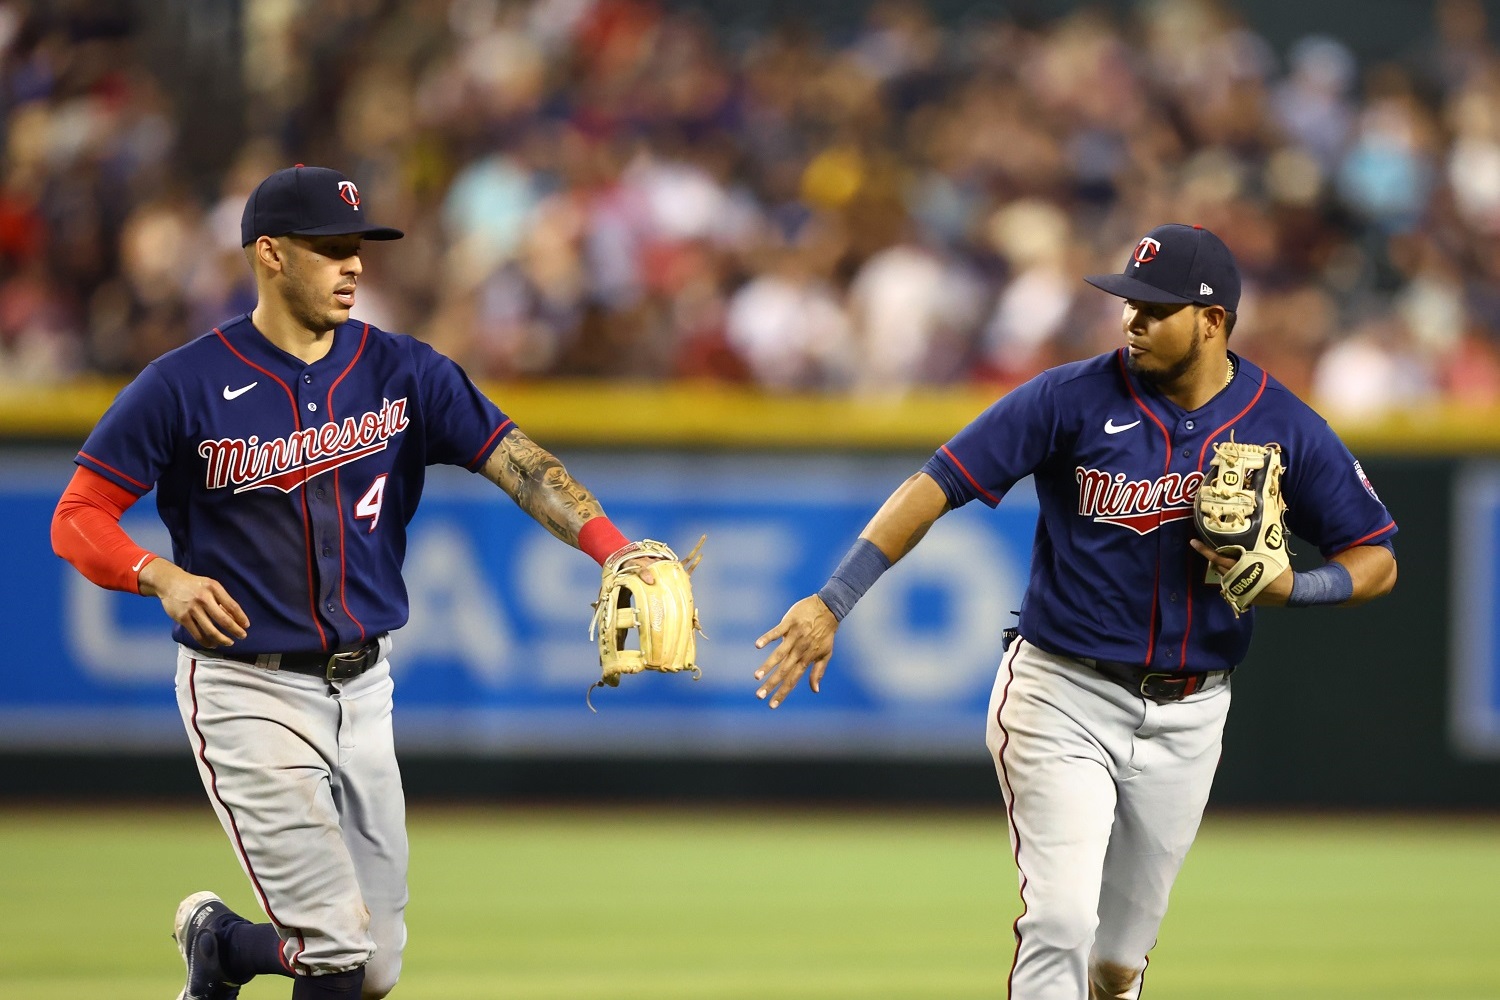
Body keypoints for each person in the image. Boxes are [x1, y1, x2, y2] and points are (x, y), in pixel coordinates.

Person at [51, 165, 663, 1000]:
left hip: (365, 685)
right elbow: (77, 515)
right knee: (335, 949)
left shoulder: (402, 371)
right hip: (245, 689)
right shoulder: (184, 383)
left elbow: (519, 463)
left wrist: (612, 548)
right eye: (330, 248)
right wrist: (158, 574)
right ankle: (236, 947)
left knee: (371, 969)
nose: (354, 266)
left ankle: (222, 947)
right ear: (269, 254)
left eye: (359, 248)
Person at [753, 223, 1398, 999]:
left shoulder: (1283, 424)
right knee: (1061, 922)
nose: (1133, 320)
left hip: (1192, 712)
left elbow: (1376, 557)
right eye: (1129, 302)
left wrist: (1296, 584)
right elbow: (936, 484)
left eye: (1156, 309)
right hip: (1062, 692)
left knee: (1120, 961)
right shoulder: (1070, 397)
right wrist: (834, 598)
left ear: (1213, 320)